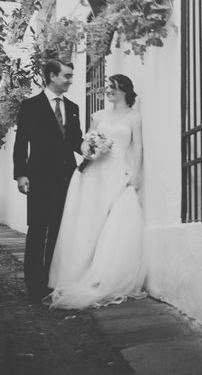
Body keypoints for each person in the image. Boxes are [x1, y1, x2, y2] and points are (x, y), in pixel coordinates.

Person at [47, 74, 146, 309]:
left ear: (123, 90)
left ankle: (105, 275)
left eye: (112, 87)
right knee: (89, 221)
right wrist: (90, 149)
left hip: (117, 172)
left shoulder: (134, 117)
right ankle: (78, 271)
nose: (108, 91)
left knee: (116, 221)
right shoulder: (98, 116)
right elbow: (84, 142)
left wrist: (136, 173)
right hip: (94, 173)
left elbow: (138, 146)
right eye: (107, 88)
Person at [13, 59, 85, 304]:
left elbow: (76, 140)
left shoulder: (73, 107)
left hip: (67, 178)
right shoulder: (30, 106)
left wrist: (91, 147)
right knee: (37, 230)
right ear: (52, 76)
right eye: (66, 76)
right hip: (39, 178)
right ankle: (34, 287)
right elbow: (21, 141)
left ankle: (52, 282)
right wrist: (21, 174)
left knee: (58, 230)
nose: (70, 80)